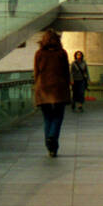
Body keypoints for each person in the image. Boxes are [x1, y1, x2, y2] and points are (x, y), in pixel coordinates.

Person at [33, 29, 70, 157]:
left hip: (43, 89)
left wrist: (36, 87)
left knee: (47, 118)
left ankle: (50, 147)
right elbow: (66, 72)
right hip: (59, 89)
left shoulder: (39, 53)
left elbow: (36, 73)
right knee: (58, 117)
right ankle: (53, 139)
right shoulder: (62, 53)